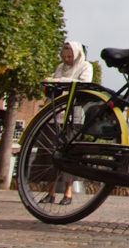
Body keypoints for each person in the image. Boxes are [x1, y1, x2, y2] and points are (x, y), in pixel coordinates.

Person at [38, 41, 94, 206]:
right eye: (65, 57)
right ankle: (51, 191)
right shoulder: (60, 67)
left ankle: (68, 193)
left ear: (76, 54)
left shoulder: (85, 67)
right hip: (56, 114)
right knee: (52, 153)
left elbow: (82, 86)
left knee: (69, 154)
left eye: (70, 56)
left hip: (73, 115)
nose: (67, 59)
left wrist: (60, 81)